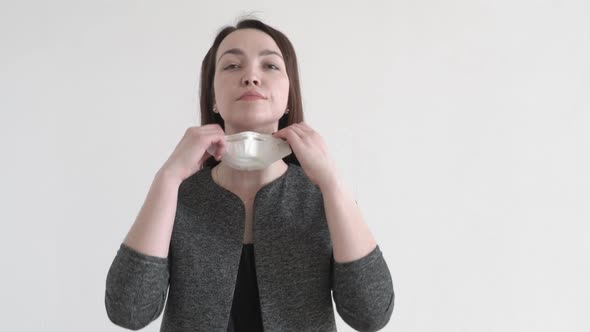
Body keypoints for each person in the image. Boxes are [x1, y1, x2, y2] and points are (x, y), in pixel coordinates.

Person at [105, 18, 394, 331]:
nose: (251, 77)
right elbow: (128, 311)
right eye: (231, 66)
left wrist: (333, 183)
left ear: (288, 96)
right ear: (213, 96)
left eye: (270, 66)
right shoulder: (178, 197)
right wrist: (168, 177)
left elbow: (371, 314)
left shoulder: (322, 196)